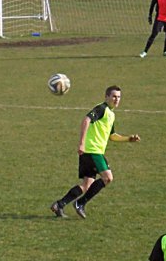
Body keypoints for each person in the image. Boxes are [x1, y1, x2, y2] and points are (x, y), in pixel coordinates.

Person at [50, 85, 140, 219]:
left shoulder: (111, 114)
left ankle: (59, 204)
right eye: (114, 96)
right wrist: (81, 143)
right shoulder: (102, 109)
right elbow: (86, 120)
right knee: (107, 178)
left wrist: (128, 139)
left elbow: (112, 136)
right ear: (107, 97)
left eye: (119, 97)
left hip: (90, 151)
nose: (116, 99)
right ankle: (80, 203)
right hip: (93, 151)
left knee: (86, 185)